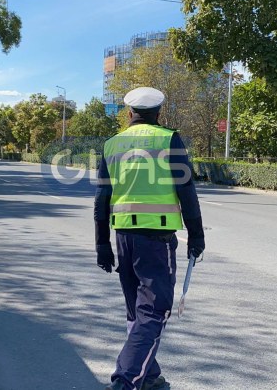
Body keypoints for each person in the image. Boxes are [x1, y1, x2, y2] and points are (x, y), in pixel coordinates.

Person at [94, 87, 206, 390]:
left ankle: (151, 377)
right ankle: (125, 381)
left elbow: (102, 199)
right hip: (156, 240)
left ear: (130, 113)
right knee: (153, 312)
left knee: (137, 311)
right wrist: (197, 235)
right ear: (159, 113)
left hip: (123, 239)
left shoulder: (111, 144)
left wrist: (101, 243)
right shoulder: (169, 139)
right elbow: (187, 191)